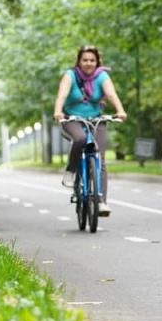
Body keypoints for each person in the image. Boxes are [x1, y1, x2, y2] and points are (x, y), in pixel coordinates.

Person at [53, 45, 128, 216]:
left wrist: (120, 110)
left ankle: (101, 201)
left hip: (95, 120)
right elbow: (62, 94)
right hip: (72, 119)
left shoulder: (102, 76)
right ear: (79, 61)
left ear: (97, 62)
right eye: (85, 60)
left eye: (92, 60)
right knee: (79, 139)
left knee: (99, 158)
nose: (88, 63)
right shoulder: (70, 75)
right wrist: (58, 112)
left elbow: (111, 94)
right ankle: (71, 171)